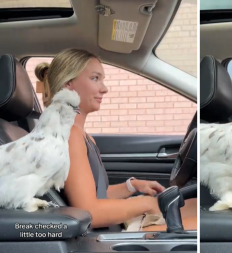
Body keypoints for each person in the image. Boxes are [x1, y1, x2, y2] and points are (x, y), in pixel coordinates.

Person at [35, 48, 197, 230]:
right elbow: (90, 211)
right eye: (95, 78)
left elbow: (97, 194)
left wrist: (132, 186)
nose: (104, 88)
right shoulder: (70, 136)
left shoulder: (83, 136)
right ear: (68, 84)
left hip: (113, 226)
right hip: (99, 234)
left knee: (194, 206)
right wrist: (146, 203)